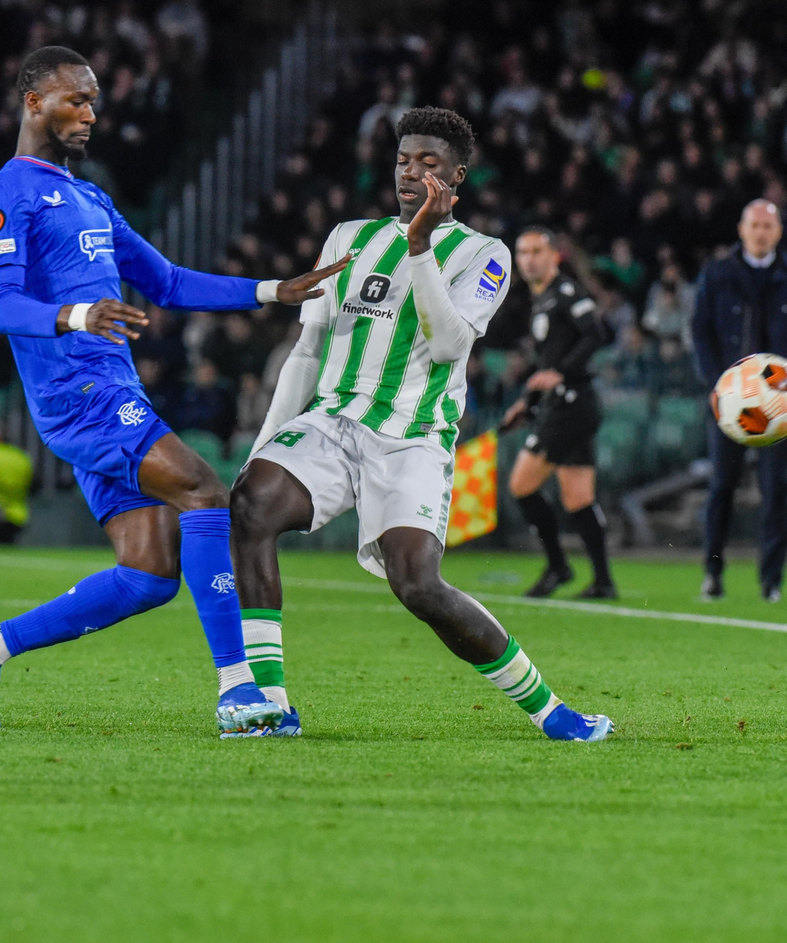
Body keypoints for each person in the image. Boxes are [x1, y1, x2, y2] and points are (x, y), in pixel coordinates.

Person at [0, 46, 346, 735]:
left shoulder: (89, 197)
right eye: (77, 99)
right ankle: (239, 690)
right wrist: (74, 315)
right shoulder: (4, 197)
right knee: (204, 489)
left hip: (112, 387)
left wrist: (271, 290)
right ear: (34, 100)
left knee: (149, 575)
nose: (91, 114)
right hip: (77, 395)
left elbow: (164, 281)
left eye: (95, 101)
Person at [229, 107, 612, 742]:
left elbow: (446, 344)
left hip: (413, 439)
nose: (411, 173)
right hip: (334, 420)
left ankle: (551, 711)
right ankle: (270, 701)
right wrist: (265, 447)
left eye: (428, 164)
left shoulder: (486, 255)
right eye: (404, 160)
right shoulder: (348, 236)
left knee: (418, 586)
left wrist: (420, 248)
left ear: (457, 177)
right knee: (250, 505)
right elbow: (306, 350)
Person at [692, 199, 787, 602]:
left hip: (779, 409)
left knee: (776, 490)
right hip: (731, 405)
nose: (761, 232)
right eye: (755, 225)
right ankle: (713, 574)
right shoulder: (717, 273)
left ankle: (772, 581)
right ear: (742, 229)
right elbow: (700, 330)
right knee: (721, 489)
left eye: (768, 225)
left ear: (779, 232)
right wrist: (719, 385)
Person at [501, 227, 617, 599]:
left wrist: (561, 373)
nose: (529, 259)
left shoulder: (567, 292)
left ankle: (558, 566)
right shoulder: (542, 299)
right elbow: (547, 363)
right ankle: (602, 581)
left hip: (572, 404)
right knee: (578, 498)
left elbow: (596, 334)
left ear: (555, 256)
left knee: (521, 485)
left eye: (536, 251)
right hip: (565, 404)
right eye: (523, 252)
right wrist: (528, 402)